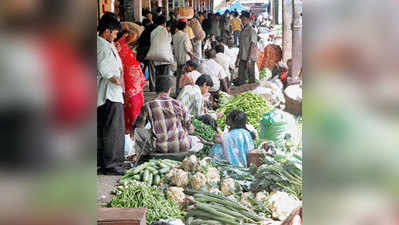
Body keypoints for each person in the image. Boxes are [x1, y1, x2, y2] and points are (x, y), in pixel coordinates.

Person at [133, 76, 194, 155]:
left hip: (161, 148)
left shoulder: (148, 106)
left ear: (155, 89)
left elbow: (138, 127)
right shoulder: (178, 104)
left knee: (140, 132)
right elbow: (190, 128)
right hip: (182, 146)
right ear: (169, 90)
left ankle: (140, 157)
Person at [97, 12, 125, 175]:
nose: (115, 37)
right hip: (110, 94)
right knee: (113, 131)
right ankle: (112, 165)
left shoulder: (104, 44)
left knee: (105, 129)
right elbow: (107, 71)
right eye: (114, 33)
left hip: (107, 94)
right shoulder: (101, 45)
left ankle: (105, 163)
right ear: (106, 31)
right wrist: (119, 81)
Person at [115, 29, 146, 134]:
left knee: (133, 108)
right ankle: (131, 133)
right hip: (129, 86)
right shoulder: (118, 46)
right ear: (125, 35)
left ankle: (131, 132)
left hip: (132, 86)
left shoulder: (121, 46)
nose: (134, 37)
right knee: (132, 109)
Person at [149, 16, 173, 90]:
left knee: (158, 75)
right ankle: (164, 90)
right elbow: (168, 41)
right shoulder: (164, 31)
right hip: (165, 57)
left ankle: (158, 89)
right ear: (164, 23)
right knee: (165, 76)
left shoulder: (153, 32)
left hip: (156, 57)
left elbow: (151, 42)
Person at [173, 20, 194, 95]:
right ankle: (184, 92)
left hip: (178, 58)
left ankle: (177, 91)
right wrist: (191, 55)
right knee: (185, 76)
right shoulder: (185, 35)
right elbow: (187, 48)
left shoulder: (174, 36)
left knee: (179, 76)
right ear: (184, 27)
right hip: (185, 58)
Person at [236, 11, 257, 85]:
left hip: (250, 57)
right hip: (242, 56)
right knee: (241, 75)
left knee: (251, 76)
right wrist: (237, 58)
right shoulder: (242, 30)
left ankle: (252, 91)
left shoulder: (251, 30)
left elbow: (252, 45)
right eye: (242, 19)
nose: (242, 21)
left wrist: (249, 59)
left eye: (244, 19)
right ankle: (241, 89)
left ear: (249, 19)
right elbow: (241, 46)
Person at [136, 18, 157, 90]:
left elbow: (139, 41)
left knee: (144, 68)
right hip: (150, 51)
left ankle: (141, 84)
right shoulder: (154, 29)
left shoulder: (145, 31)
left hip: (143, 52)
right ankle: (152, 86)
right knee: (151, 69)